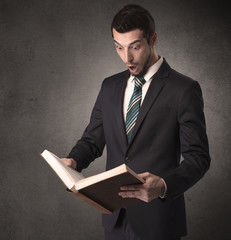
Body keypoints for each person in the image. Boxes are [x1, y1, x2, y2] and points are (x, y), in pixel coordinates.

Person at [61, 4, 210, 240]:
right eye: (119, 48)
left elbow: (199, 158)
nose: (126, 58)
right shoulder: (109, 86)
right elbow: (92, 139)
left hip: (159, 221)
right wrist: (73, 160)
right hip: (115, 218)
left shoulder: (184, 90)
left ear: (153, 39)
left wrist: (163, 185)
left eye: (135, 47)